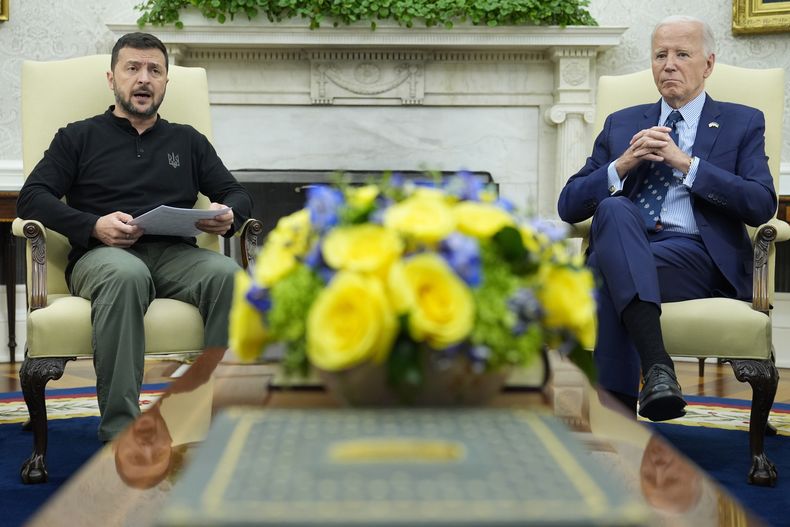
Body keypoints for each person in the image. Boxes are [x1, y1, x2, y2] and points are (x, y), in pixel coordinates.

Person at [17, 32, 253, 442]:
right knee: (127, 276)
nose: (144, 79)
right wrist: (92, 225)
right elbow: (31, 198)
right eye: (133, 68)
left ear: (165, 83)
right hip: (103, 256)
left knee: (229, 276)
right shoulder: (77, 137)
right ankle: (120, 433)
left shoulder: (188, 141)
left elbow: (236, 193)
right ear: (112, 79)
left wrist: (229, 213)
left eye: (154, 70)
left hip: (177, 255)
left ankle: (217, 424)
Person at [557, 16, 776, 421]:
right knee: (614, 208)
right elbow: (568, 204)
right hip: (631, 245)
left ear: (708, 64)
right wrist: (621, 165)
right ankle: (658, 369)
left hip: (698, 257)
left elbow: (761, 203)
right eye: (660, 55)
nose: (669, 64)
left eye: (682, 54)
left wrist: (686, 164)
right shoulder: (623, 123)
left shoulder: (741, 121)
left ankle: (614, 421)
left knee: (606, 274)